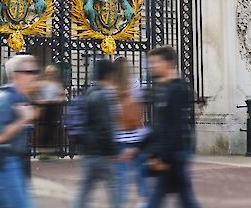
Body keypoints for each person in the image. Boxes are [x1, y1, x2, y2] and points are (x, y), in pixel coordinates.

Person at [143, 46, 199, 208]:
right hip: (173, 152)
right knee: (184, 198)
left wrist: (163, 158)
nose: (151, 66)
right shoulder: (165, 88)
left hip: (175, 153)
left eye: (155, 62)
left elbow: (174, 126)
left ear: (168, 64)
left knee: (163, 197)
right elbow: (160, 125)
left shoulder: (177, 89)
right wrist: (143, 146)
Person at [0, 54, 39, 208]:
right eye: (30, 72)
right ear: (16, 75)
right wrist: (23, 119)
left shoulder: (20, 98)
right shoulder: (2, 99)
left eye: (35, 72)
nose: (34, 76)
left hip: (11, 161)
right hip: (3, 162)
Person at [74, 60, 121, 208]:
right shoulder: (102, 96)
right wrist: (113, 150)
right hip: (101, 152)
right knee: (114, 187)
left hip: (89, 149)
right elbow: (105, 127)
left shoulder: (90, 92)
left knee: (85, 189)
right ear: (108, 75)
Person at [112, 56, 149, 207]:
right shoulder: (135, 83)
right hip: (136, 134)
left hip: (118, 136)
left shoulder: (110, 87)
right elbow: (139, 110)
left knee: (120, 176)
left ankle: (120, 203)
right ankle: (144, 201)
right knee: (141, 172)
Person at [34, 64, 66, 157]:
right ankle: (42, 151)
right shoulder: (42, 84)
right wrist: (39, 100)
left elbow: (62, 96)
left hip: (53, 108)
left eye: (53, 73)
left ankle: (52, 151)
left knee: (53, 129)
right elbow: (33, 93)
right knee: (42, 129)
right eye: (50, 72)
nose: (51, 74)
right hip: (43, 108)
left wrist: (59, 99)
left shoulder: (57, 85)